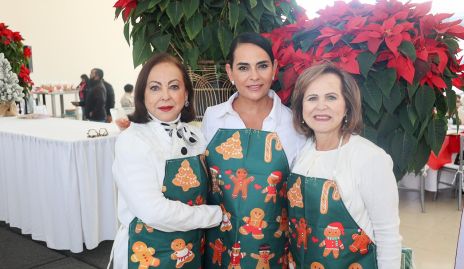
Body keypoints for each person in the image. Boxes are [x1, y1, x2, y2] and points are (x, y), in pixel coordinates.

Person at [202, 32, 306, 268]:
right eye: (243, 68)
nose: (254, 77)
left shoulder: (294, 124)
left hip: (272, 249)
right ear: (230, 72)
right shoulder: (213, 118)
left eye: (262, 66)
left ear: (274, 68)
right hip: (220, 244)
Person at [111, 53, 222, 269]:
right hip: (146, 253)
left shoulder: (197, 137)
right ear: (142, 95)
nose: (165, 96)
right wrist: (214, 215)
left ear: (186, 93)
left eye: (173, 87)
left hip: (190, 253)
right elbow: (152, 211)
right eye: (155, 88)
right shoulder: (132, 140)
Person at [288, 63, 401, 268]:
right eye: (312, 98)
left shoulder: (370, 159)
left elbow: (388, 236)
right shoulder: (301, 156)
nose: (321, 106)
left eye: (331, 97)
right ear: (301, 107)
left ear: (347, 106)